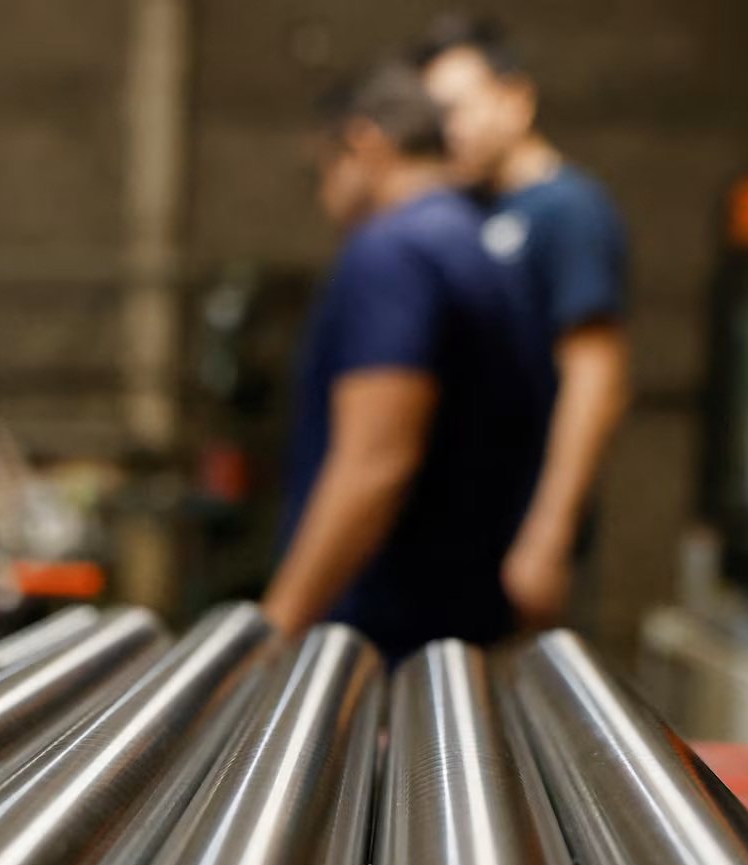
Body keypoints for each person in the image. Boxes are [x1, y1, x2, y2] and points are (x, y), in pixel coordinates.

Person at [261, 61, 554, 659]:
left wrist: (277, 628)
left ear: (366, 144)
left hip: (377, 640)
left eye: (326, 170)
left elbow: (377, 462)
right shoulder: (483, 249)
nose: (325, 197)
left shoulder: (391, 251)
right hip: (461, 632)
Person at [417, 15, 630, 628]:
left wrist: (548, 534)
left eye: (457, 109)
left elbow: (596, 379)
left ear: (516, 100)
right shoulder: (472, 211)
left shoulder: (568, 210)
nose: (446, 131)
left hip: (520, 541)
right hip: (464, 538)